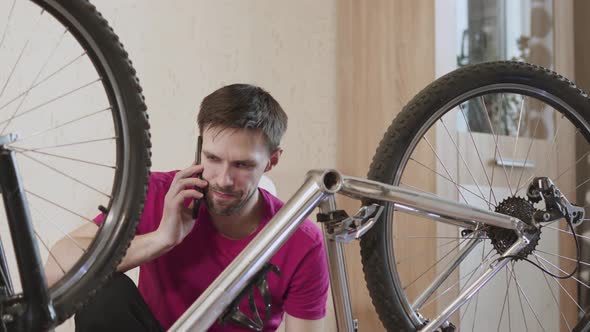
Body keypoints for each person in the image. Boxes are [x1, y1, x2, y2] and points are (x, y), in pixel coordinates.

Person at [45, 84, 330, 331]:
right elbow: (56, 269)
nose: (223, 179)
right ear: (199, 148)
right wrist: (161, 239)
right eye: (213, 158)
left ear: (272, 161)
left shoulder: (301, 240)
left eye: (242, 165)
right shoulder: (158, 193)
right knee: (103, 290)